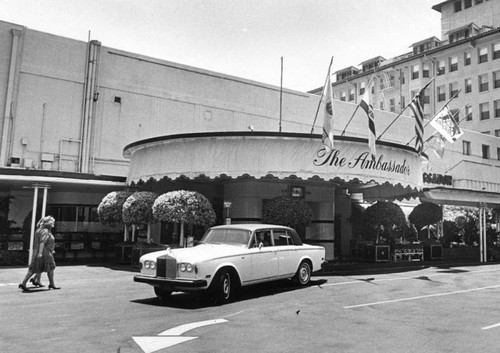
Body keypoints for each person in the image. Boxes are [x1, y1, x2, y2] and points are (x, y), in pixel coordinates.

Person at [19, 216, 60, 291]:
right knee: (51, 267)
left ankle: (25, 283)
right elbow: (42, 242)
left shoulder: (39, 230)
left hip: (41, 251)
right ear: (48, 223)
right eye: (52, 222)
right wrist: (40, 253)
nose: (53, 224)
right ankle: (51, 284)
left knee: (36, 267)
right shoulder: (45, 231)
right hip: (45, 252)